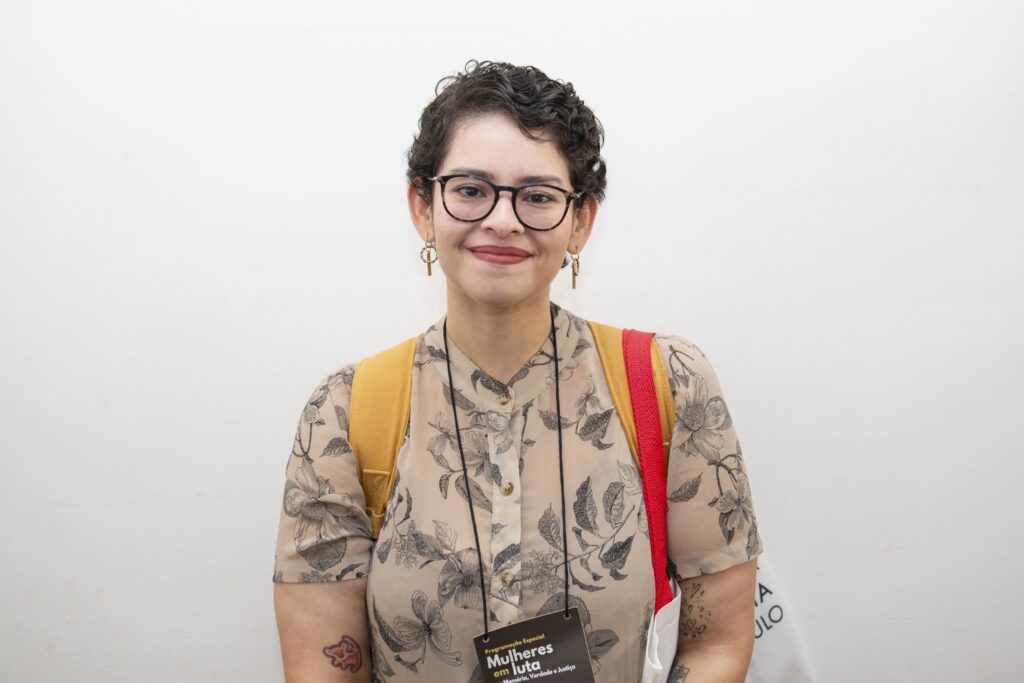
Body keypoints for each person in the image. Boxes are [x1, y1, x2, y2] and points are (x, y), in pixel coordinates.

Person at [273, 59, 763, 683]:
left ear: (580, 222)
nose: (502, 220)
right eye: (470, 189)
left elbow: (716, 645)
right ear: (422, 207)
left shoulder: (670, 382)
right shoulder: (343, 414)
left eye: (537, 196)